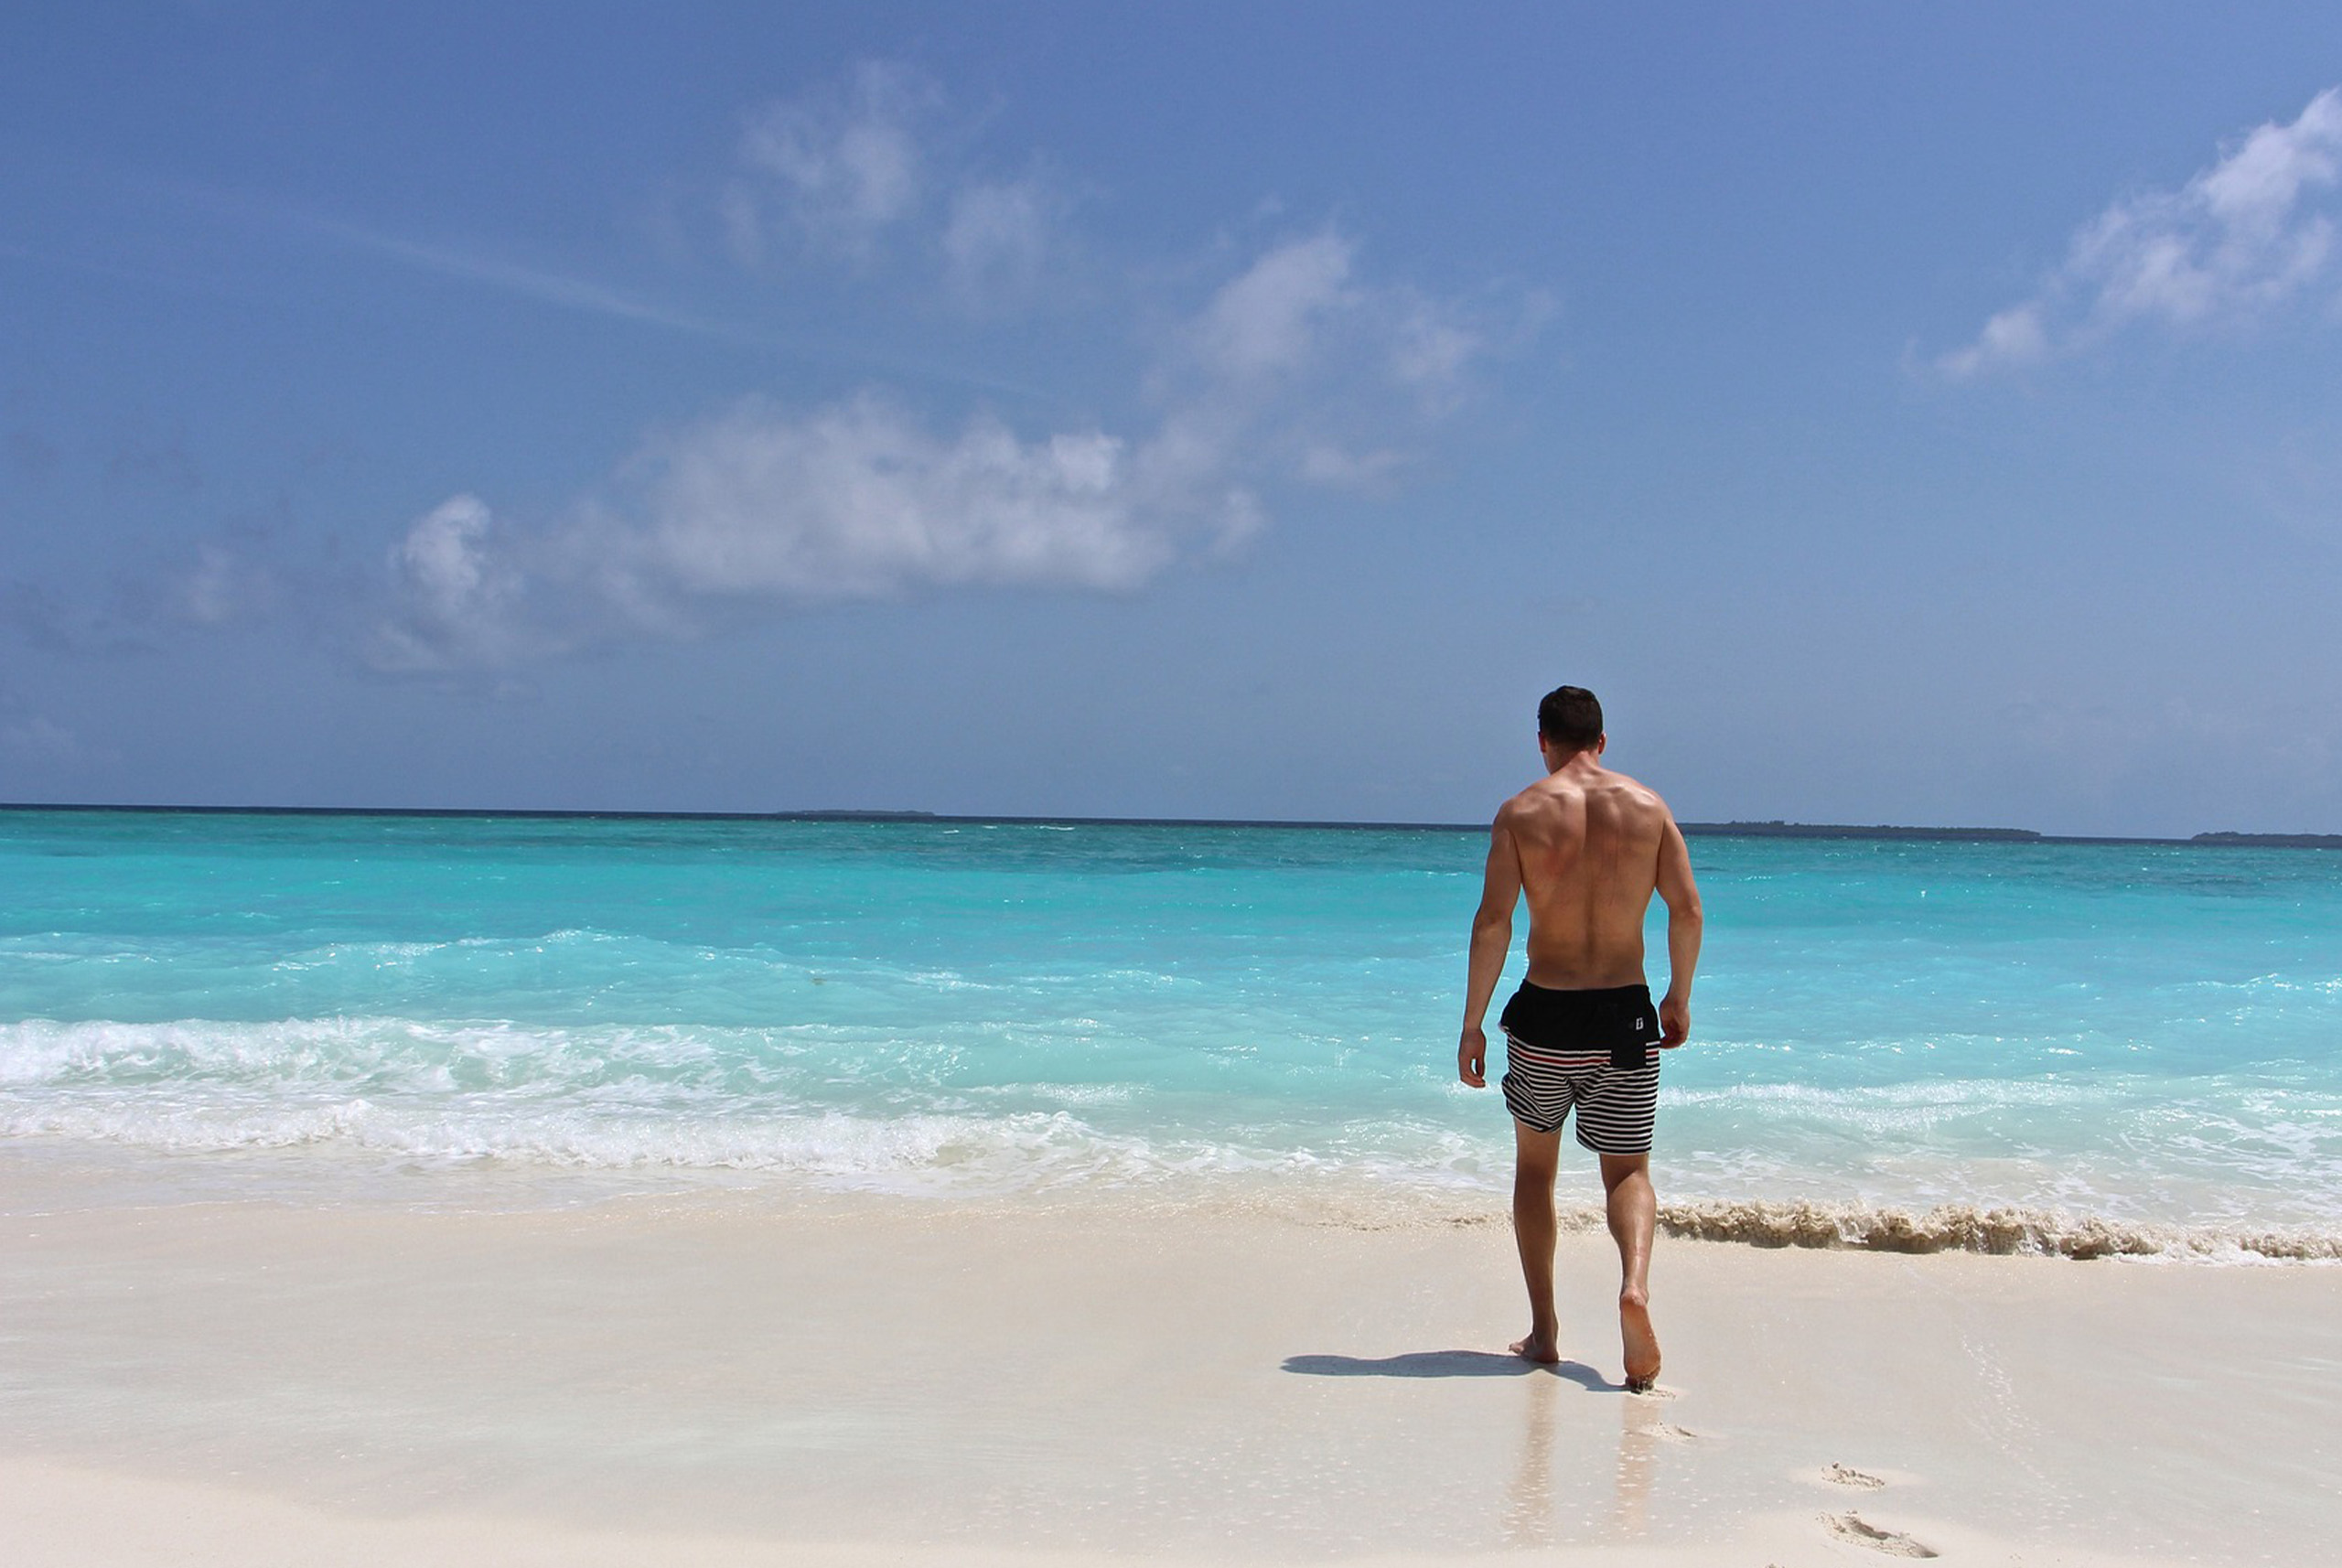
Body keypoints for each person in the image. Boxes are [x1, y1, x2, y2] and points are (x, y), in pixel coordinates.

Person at [1457, 685, 1703, 1390]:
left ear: (1543, 741)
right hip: (1624, 1014)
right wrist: (1677, 996)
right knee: (1627, 1171)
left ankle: (1545, 1330)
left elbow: (1493, 924)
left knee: (1536, 1172)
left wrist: (1473, 1023)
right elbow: (1686, 912)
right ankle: (1634, 1287)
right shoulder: (1649, 808)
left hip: (1546, 1017)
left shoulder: (1522, 813)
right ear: (1602, 740)